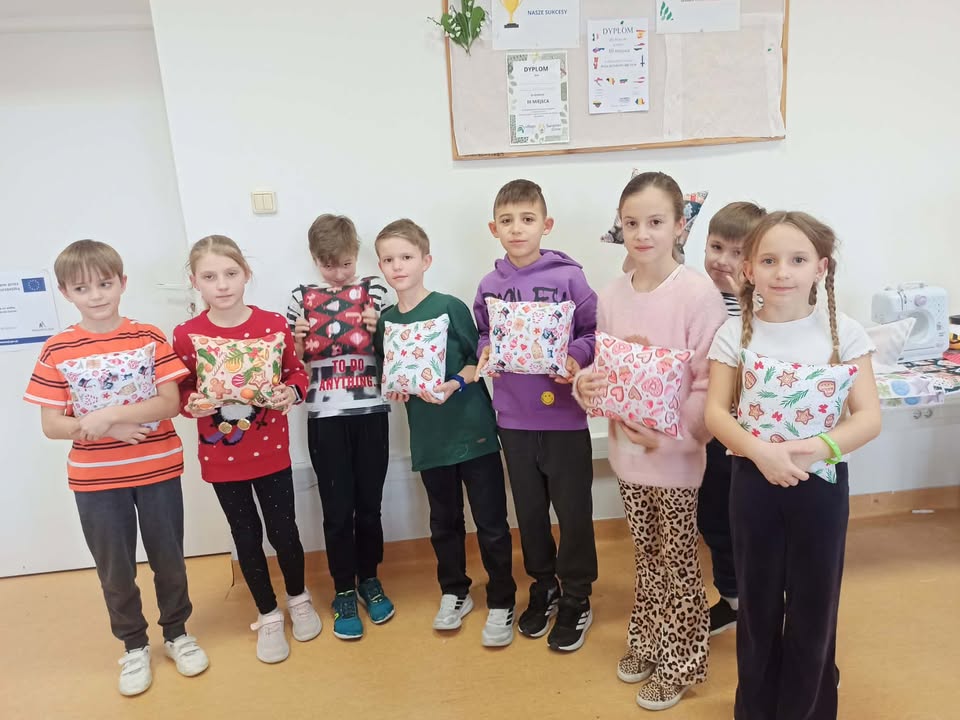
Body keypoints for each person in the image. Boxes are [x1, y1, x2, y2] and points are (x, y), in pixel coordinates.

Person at [24, 239, 209, 696]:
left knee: (169, 558)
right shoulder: (56, 349)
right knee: (115, 568)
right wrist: (107, 430)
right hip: (96, 480)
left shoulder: (148, 337)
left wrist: (109, 416)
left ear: (122, 283)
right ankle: (133, 645)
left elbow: (168, 402)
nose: (96, 295)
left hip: (157, 469)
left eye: (105, 284)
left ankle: (177, 634)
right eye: (82, 288)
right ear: (65, 293)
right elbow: (52, 424)